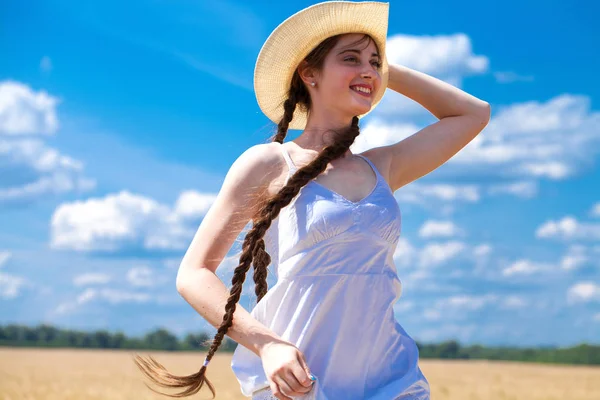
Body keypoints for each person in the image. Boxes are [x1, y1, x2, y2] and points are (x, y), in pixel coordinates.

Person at [133, 1, 491, 399]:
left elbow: (472, 114)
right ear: (309, 72)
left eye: (374, 62)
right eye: (351, 58)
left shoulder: (383, 167)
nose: (367, 70)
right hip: (300, 382)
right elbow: (194, 272)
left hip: (392, 381)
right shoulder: (269, 163)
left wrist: (384, 71)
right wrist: (266, 344)